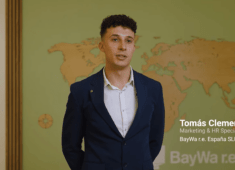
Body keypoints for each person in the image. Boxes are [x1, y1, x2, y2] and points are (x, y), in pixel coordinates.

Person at [61, 14, 165, 170]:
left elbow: (155, 141)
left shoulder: (153, 88)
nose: (123, 47)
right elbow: (70, 146)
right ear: (102, 46)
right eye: (115, 39)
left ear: (134, 47)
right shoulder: (80, 91)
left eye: (128, 40)